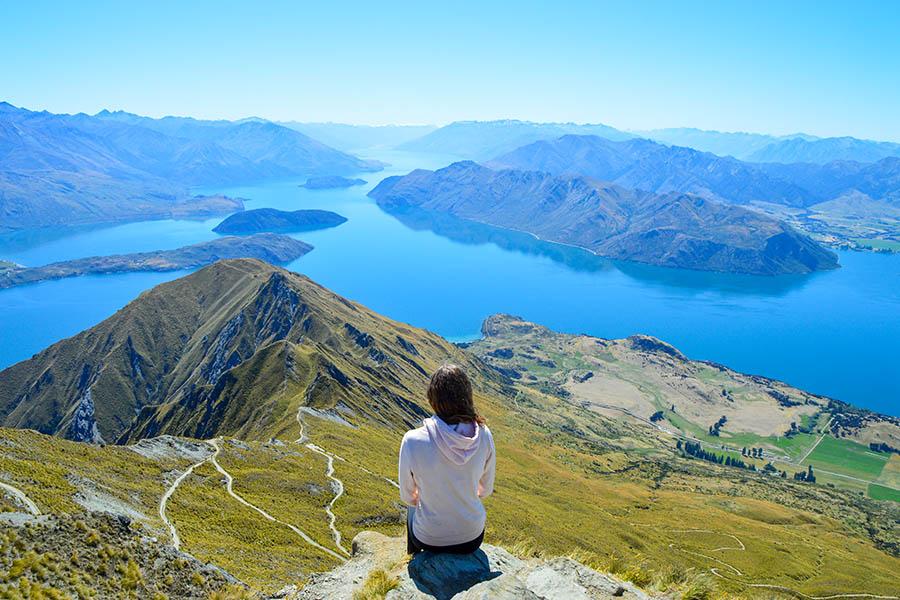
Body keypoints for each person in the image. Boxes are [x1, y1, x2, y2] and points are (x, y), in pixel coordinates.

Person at [398, 364, 496, 554]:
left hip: (428, 539)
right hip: (472, 537)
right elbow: (485, 491)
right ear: (467, 396)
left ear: (433, 399)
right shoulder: (484, 435)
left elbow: (408, 497)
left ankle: (415, 562)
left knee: (412, 510)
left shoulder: (412, 440)